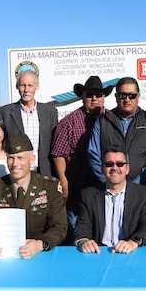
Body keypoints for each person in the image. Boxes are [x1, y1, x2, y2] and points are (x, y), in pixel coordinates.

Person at [0, 134, 67, 259]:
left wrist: (40, 244)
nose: (15, 163)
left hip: (40, 257)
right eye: (11, 158)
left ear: (32, 159)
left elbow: (59, 226)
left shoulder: (49, 187)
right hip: (2, 259)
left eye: (20, 158)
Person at [51, 76, 112, 231]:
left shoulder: (113, 119)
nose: (94, 98)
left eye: (98, 95)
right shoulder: (69, 122)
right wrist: (64, 181)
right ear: (82, 96)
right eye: (89, 95)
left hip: (107, 185)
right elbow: (58, 154)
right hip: (78, 186)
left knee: (105, 229)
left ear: (104, 97)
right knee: (77, 229)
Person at [74, 146, 146, 254]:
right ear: (102, 169)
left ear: (127, 169)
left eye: (120, 164)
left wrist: (133, 243)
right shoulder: (88, 195)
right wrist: (84, 241)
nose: (114, 168)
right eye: (109, 164)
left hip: (131, 252)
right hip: (99, 253)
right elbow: (82, 226)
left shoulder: (144, 194)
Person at [88, 76, 146, 186]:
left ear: (138, 96)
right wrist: (109, 181)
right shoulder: (102, 122)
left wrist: (137, 184)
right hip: (109, 188)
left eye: (132, 96)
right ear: (116, 97)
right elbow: (93, 155)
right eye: (123, 95)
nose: (127, 100)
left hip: (142, 189)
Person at [0, 69, 58, 176]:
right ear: (17, 86)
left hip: (44, 173)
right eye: (22, 85)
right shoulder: (4, 113)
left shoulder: (50, 112)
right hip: (16, 173)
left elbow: (55, 144)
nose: (26, 90)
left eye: (30, 85)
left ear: (36, 87)